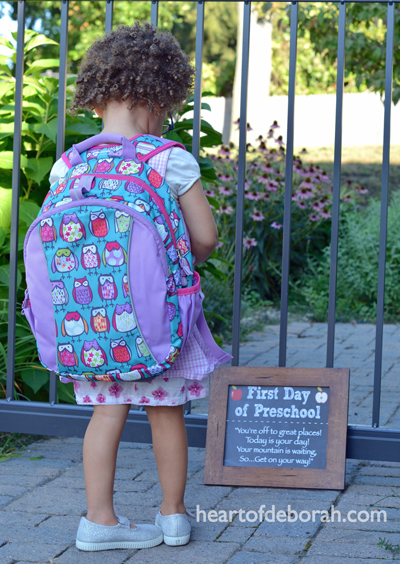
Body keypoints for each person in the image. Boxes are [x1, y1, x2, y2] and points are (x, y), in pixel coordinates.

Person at [48, 21, 232, 551]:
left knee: (106, 414)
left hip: (94, 320)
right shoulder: (169, 159)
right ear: (158, 96)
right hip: (158, 321)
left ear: (99, 95)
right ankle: (173, 516)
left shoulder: (70, 165)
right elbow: (207, 238)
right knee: (166, 411)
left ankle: (98, 521)